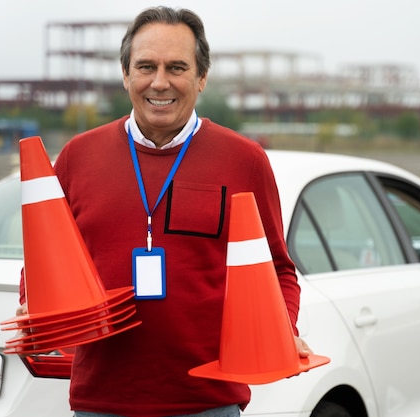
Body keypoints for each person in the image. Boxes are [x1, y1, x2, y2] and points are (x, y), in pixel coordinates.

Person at [16, 6, 311, 417]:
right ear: (125, 74)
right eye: (145, 67)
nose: (159, 82)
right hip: (100, 401)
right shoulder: (76, 158)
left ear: (201, 77)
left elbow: (278, 270)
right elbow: (43, 265)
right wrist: (33, 305)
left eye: (176, 67)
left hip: (208, 402)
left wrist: (283, 332)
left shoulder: (244, 160)